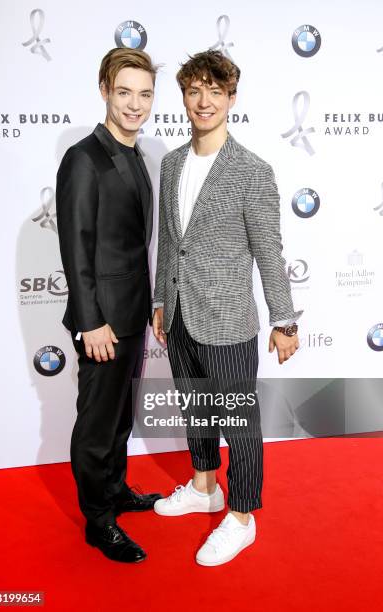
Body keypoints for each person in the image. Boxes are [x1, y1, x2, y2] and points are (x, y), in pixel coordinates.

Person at [152, 50, 302, 566]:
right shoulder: (171, 164)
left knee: (238, 422)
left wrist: (284, 321)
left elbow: (269, 251)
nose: (204, 101)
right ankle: (203, 487)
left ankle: (241, 516)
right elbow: (170, 243)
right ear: (185, 98)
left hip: (228, 318)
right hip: (179, 314)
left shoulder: (252, 171)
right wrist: (158, 299)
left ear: (231, 99)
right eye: (195, 91)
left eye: (215, 91)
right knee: (195, 409)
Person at [56, 48, 161, 564]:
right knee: (97, 425)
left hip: (131, 312)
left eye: (144, 94)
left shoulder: (136, 155)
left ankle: (116, 491)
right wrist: (91, 319)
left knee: (120, 417)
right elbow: (76, 246)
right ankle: (99, 522)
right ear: (104, 89)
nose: (134, 104)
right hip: (102, 321)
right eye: (124, 92)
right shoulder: (84, 158)